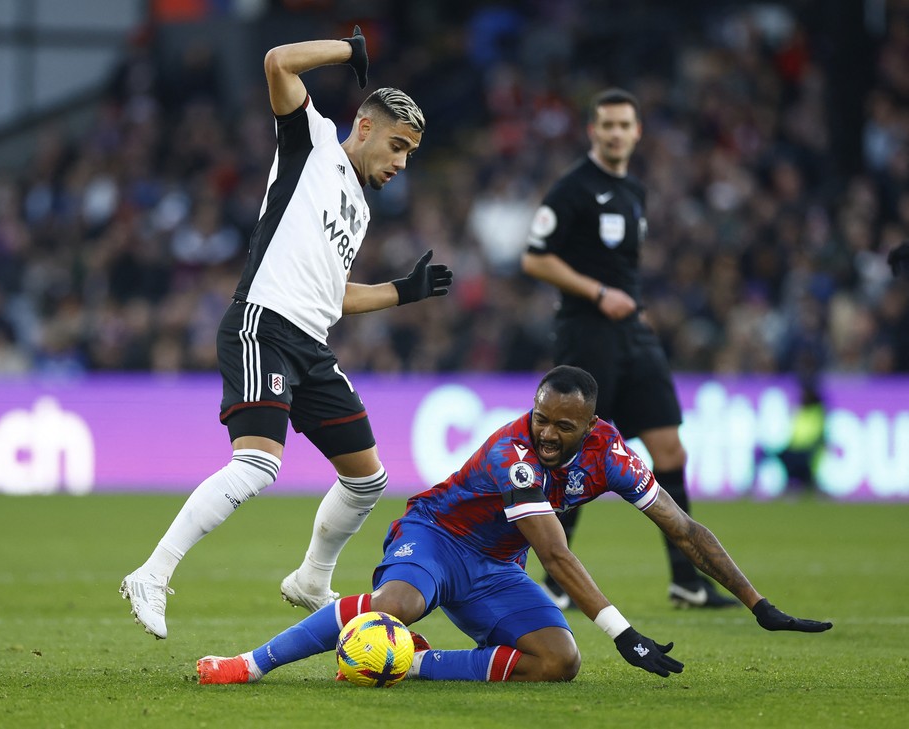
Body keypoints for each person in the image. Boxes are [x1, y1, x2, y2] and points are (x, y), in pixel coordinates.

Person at [120, 27, 453, 639]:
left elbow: (335, 295)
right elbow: (278, 62)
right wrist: (349, 51)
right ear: (365, 128)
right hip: (263, 324)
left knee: (367, 477)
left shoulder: (359, 205)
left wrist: (404, 291)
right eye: (399, 146)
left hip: (310, 344)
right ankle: (152, 572)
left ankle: (309, 579)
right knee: (256, 464)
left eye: (410, 154)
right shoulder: (314, 142)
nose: (402, 164)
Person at [195, 366, 832, 685]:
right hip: (438, 537)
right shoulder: (514, 453)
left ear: (590, 426)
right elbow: (556, 556)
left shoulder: (613, 456)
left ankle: (412, 667)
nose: (548, 435)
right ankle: (248, 665)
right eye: (542, 419)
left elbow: (685, 530)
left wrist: (758, 603)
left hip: (497, 567)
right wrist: (624, 632)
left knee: (558, 662)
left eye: (564, 427)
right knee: (397, 607)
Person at [521, 88, 733, 609]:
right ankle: (552, 581)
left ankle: (687, 580)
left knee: (670, 451)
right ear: (593, 131)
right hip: (587, 332)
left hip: (632, 333)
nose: (616, 133)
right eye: (607, 125)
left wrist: (628, 305)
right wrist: (597, 293)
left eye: (624, 126)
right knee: (572, 455)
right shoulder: (572, 189)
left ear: (637, 132)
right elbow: (534, 259)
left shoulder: (634, 189)